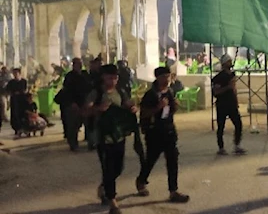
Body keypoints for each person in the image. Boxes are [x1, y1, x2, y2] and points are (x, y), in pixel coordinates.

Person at [89, 64, 138, 214]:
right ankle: (113, 201)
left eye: (115, 78)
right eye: (110, 77)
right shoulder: (96, 93)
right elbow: (86, 110)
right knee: (108, 168)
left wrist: (132, 108)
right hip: (103, 137)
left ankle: (105, 187)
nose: (113, 81)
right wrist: (98, 109)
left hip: (118, 135)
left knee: (119, 167)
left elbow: (126, 104)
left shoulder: (120, 91)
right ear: (103, 77)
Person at [136, 67, 189, 203]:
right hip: (154, 132)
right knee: (151, 159)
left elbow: (170, 111)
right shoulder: (151, 94)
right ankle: (141, 180)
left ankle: (173, 191)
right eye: (165, 76)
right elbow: (144, 113)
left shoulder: (170, 92)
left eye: (169, 76)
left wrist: (175, 106)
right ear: (158, 78)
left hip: (169, 130)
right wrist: (158, 107)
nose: (168, 79)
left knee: (172, 160)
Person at [212, 54, 246, 155]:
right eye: (228, 61)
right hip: (222, 104)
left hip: (231, 104)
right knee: (221, 126)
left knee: (238, 124)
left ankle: (237, 145)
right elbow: (216, 92)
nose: (230, 63)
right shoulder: (218, 78)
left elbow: (234, 89)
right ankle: (221, 147)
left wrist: (236, 101)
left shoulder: (231, 75)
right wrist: (228, 87)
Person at [62, 58, 93, 151]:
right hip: (74, 104)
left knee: (88, 123)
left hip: (85, 102)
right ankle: (73, 144)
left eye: (80, 63)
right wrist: (72, 103)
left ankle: (91, 142)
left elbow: (89, 87)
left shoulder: (85, 74)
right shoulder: (70, 76)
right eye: (77, 64)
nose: (79, 65)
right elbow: (67, 91)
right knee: (73, 125)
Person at [7, 68, 27, 135]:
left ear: (19, 73)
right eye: (14, 73)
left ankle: (24, 127)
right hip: (14, 100)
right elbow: (8, 90)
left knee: (22, 113)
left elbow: (25, 90)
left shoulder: (24, 81)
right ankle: (16, 128)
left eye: (16, 73)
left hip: (22, 99)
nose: (15, 75)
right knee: (15, 114)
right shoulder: (11, 82)